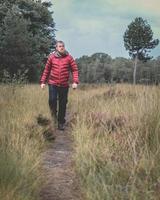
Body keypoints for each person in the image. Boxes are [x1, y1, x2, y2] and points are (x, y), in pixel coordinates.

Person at [40, 40, 79, 130]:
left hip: (64, 85)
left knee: (63, 103)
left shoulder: (69, 58)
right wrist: (43, 82)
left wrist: (75, 82)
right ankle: (54, 118)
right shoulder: (51, 57)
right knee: (52, 100)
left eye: (63, 46)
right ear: (56, 48)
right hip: (53, 83)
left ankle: (61, 122)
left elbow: (74, 70)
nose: (62, 47)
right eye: (60, 46)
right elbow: (46, 70)